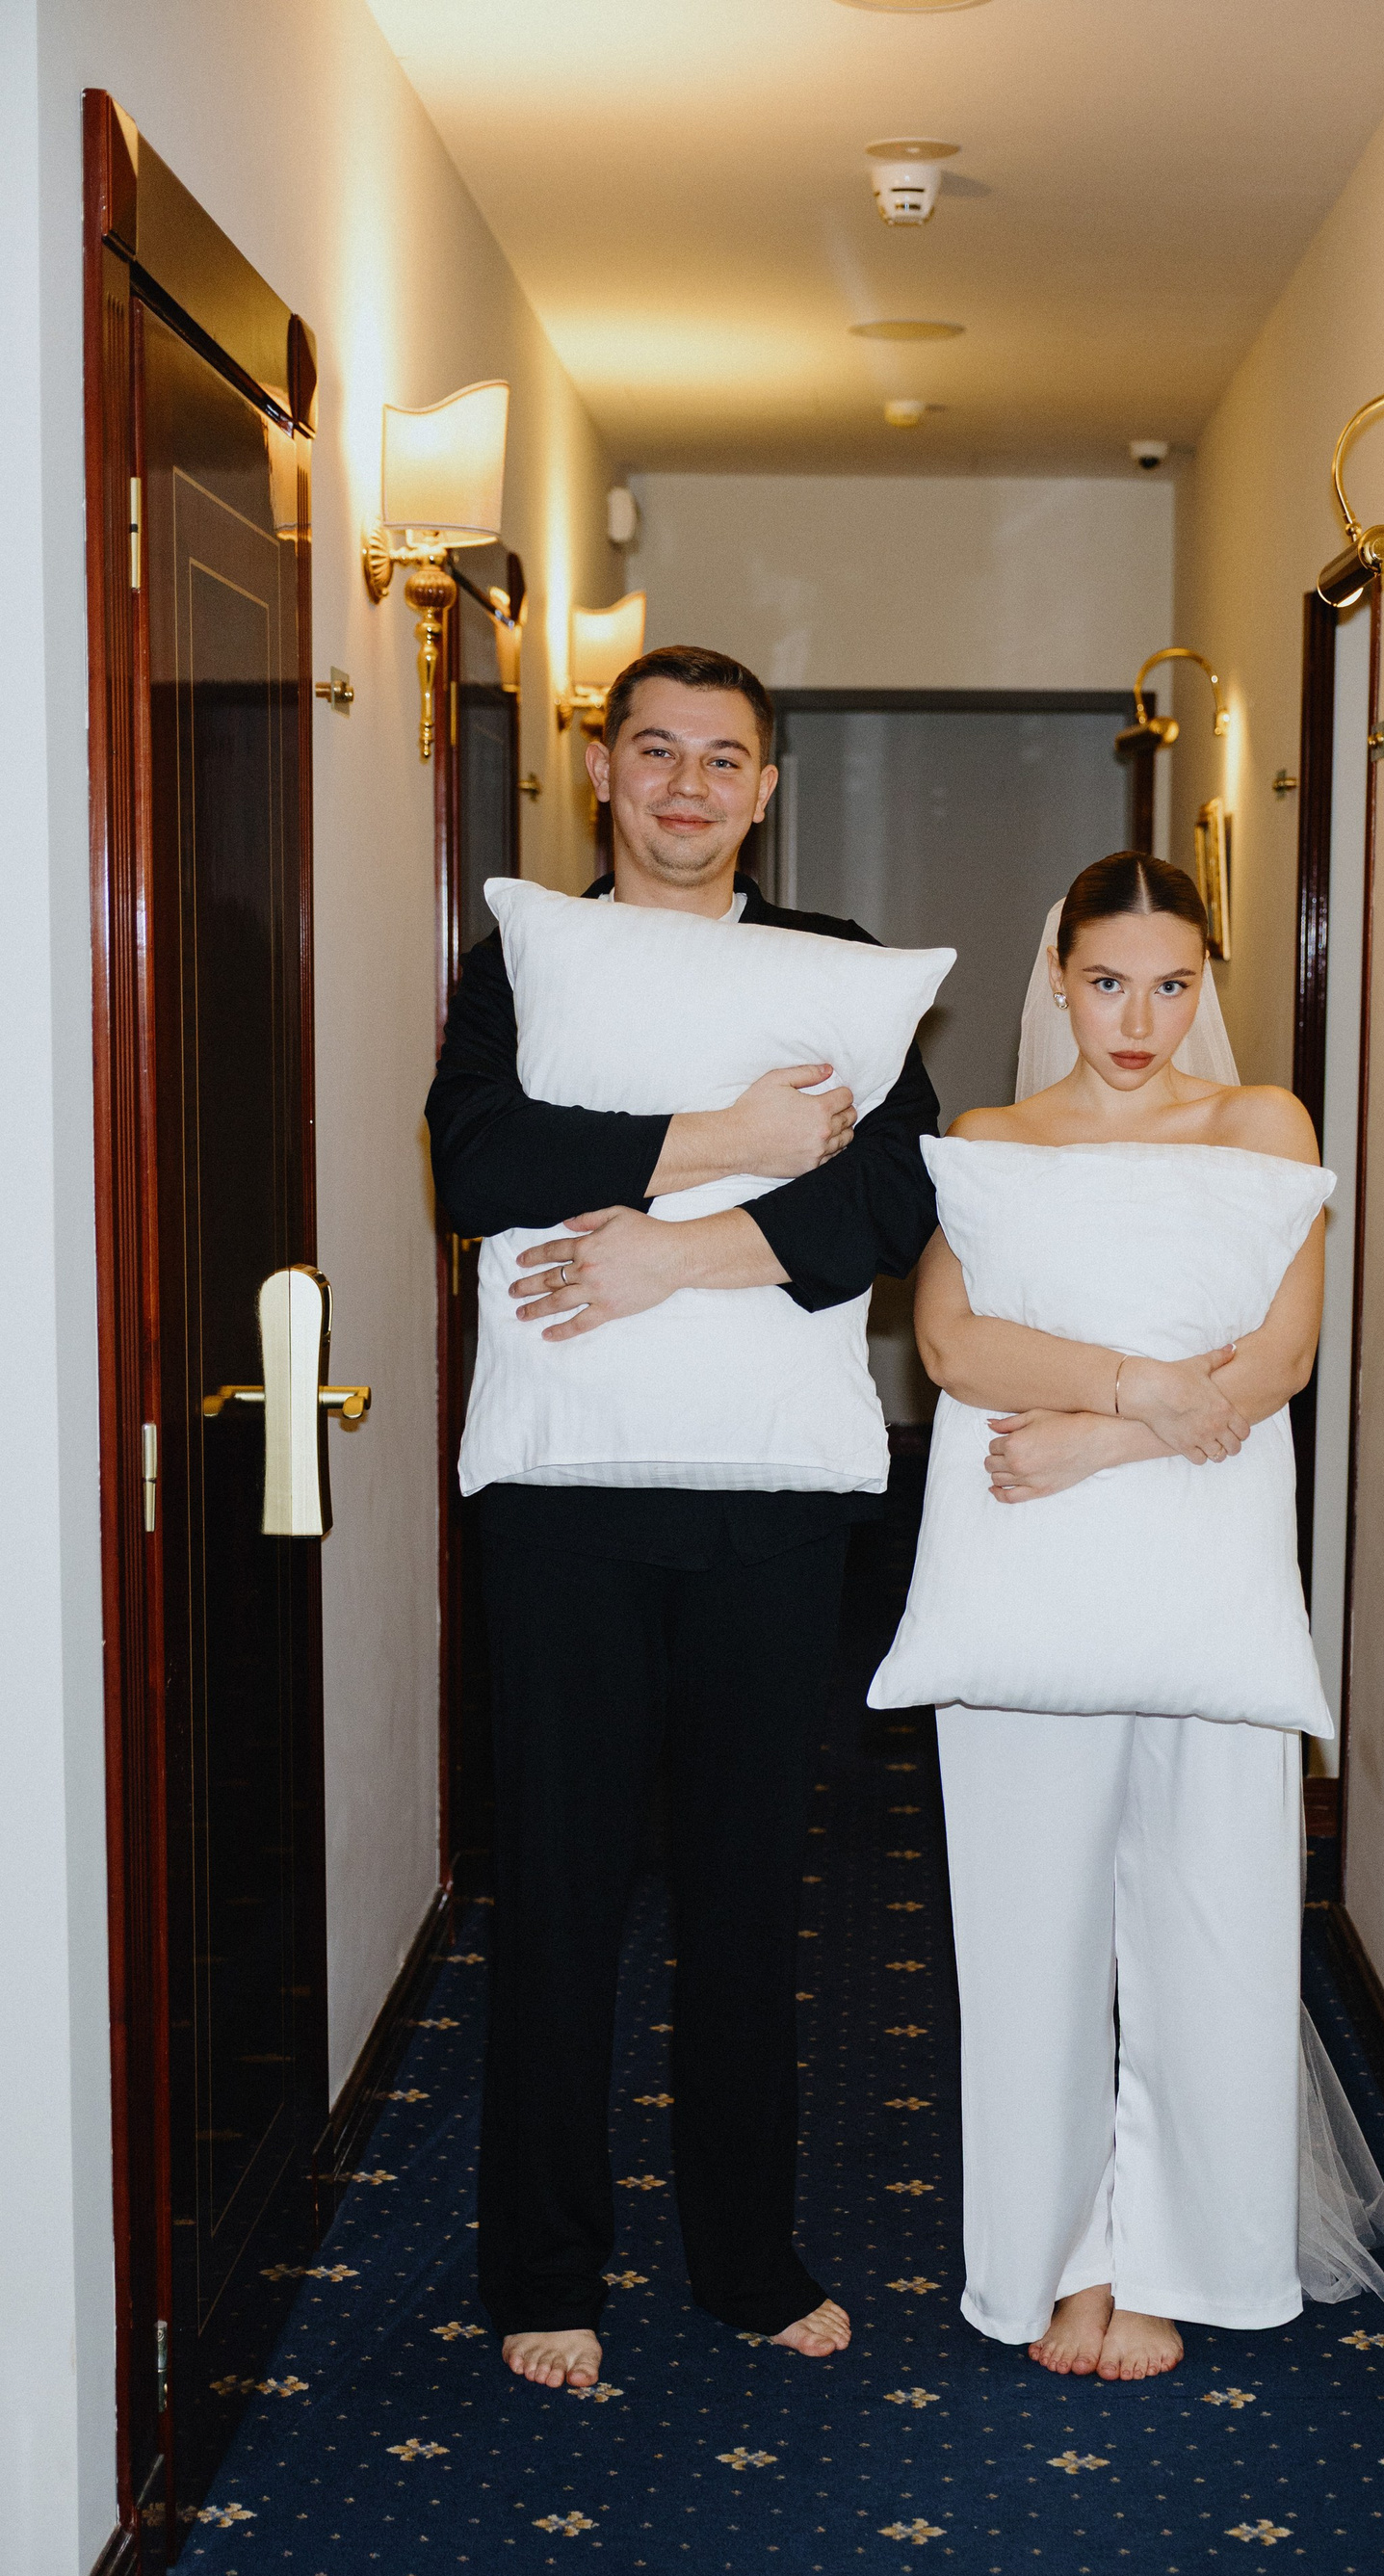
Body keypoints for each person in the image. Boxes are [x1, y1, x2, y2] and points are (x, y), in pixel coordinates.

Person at [425, 644, 940, 2388]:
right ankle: (543, 2265)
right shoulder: (525, 957)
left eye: (725, 758)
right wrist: (719, 1136)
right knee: (558, 1891)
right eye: (656, 750)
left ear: (766, 788)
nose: (688, 786)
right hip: (562, 1499)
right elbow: (479, 1160)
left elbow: (897, 1189)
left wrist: (679, 1254)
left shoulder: (835, 972)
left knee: (746, 1894)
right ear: (601, 770)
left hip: (772, 1506)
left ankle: (745, 2254)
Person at [908, 850, 1384, 2382]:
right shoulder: (994, 1139)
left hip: (1202, 1560)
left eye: (1172, 985)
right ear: (1058, 976)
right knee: (1027, 1925)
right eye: (1108, 982)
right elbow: (950, 1341)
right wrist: (1124, 1392)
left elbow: (1281, 1355)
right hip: (1021, 1571)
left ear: (1205, 983)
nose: (1138, 1019)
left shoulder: (1263, 1126)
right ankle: (1066, 2258)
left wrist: (1097, 1440)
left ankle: (1186, 2254)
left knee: (1216, 1910)